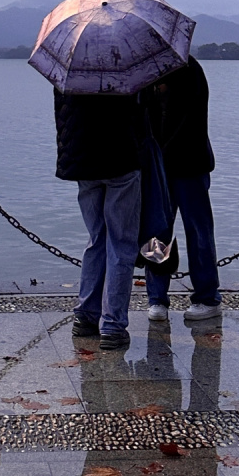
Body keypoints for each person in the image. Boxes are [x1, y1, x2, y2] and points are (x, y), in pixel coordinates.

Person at [53, 88, 145, 348]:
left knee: (96, 238)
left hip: (82, 160)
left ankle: (85, 316)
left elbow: (63, 116)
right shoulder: (126, 69)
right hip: (121, 158)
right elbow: (139, 114)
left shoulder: (71, 68)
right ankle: (113, 325)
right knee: (121, 243)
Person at [139, 55, 222, 322]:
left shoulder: (189, 69)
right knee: (157, 232)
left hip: (190, 165)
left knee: (198, 231)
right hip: (158, 167)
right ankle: (157, 298)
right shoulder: (146, 72)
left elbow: (192, 120)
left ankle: (207, 297)